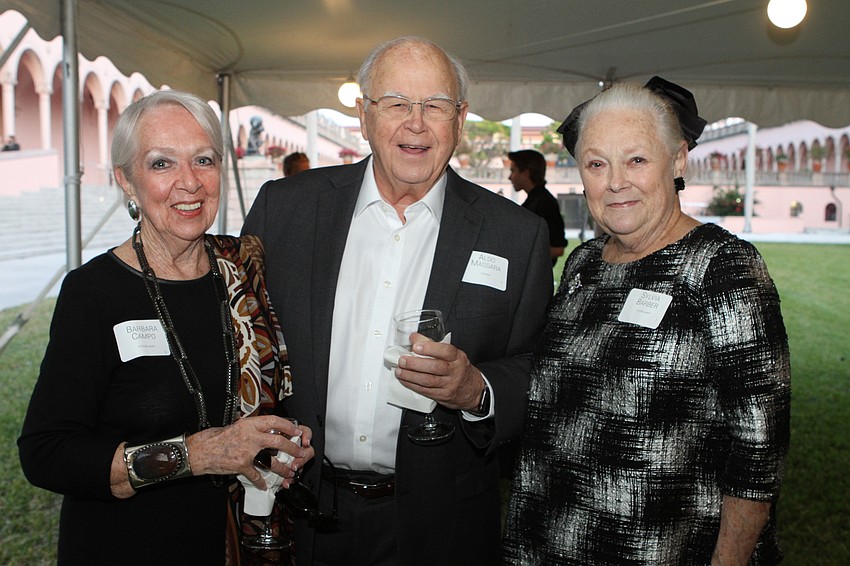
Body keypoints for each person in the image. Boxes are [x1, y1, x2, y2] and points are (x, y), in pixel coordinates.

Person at [242, 36, 552, 566]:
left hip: (443, 526)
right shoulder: (285, 209)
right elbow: (241, 337)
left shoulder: (514, 235)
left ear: (460, 118)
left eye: (435, 105)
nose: (417, 123)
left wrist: (477, 388)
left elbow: (539, 368)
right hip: (302, 509)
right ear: (364, 115)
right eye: (397, 103)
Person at [18, 90, 314, 565]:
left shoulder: (244, 268)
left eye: (203, 160)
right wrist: (195, 454)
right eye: (161, 164)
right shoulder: (93, 292)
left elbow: (271, 385)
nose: (189, 183)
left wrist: (283, 439)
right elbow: (47, 452)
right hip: (127, 546)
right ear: (126, 181)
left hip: (239, 543)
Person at [503, 77, 791, 565]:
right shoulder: (584, 264)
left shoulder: (723, 268)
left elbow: (759, 451)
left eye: (636, 159)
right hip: (549, 539)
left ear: (678, 160)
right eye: (597, 164)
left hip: (663, 548)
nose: (616, 181)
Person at [507, 149, 567, 265]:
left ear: (526, 173)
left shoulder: (544, 203)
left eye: (513, 171)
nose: (510, 177)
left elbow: (558, 248)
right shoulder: (537, 200)